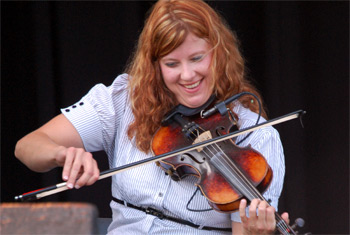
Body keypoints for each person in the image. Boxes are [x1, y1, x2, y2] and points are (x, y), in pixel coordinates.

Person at [15, 0, 290, 234]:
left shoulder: (256, 135)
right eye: (172, 64)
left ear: (218, 53)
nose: (187, 75)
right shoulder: (123, 100)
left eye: (197, 58)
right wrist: (62, 154)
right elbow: (28, 147)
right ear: (155, 66)